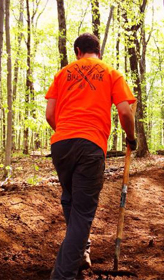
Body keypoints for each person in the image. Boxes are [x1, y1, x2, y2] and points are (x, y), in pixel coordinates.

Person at [45, 33, 137, 280]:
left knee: (70, 200)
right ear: (99, 50)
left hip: (61, 144)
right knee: (83, 213)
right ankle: (62, 275)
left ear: (77, 51)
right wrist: (131, 138)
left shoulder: (62, 74)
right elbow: (126, 113)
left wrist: (66, 134)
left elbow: (50, 113)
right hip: (91, 145)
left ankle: (82, 251)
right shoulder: (111, 73)